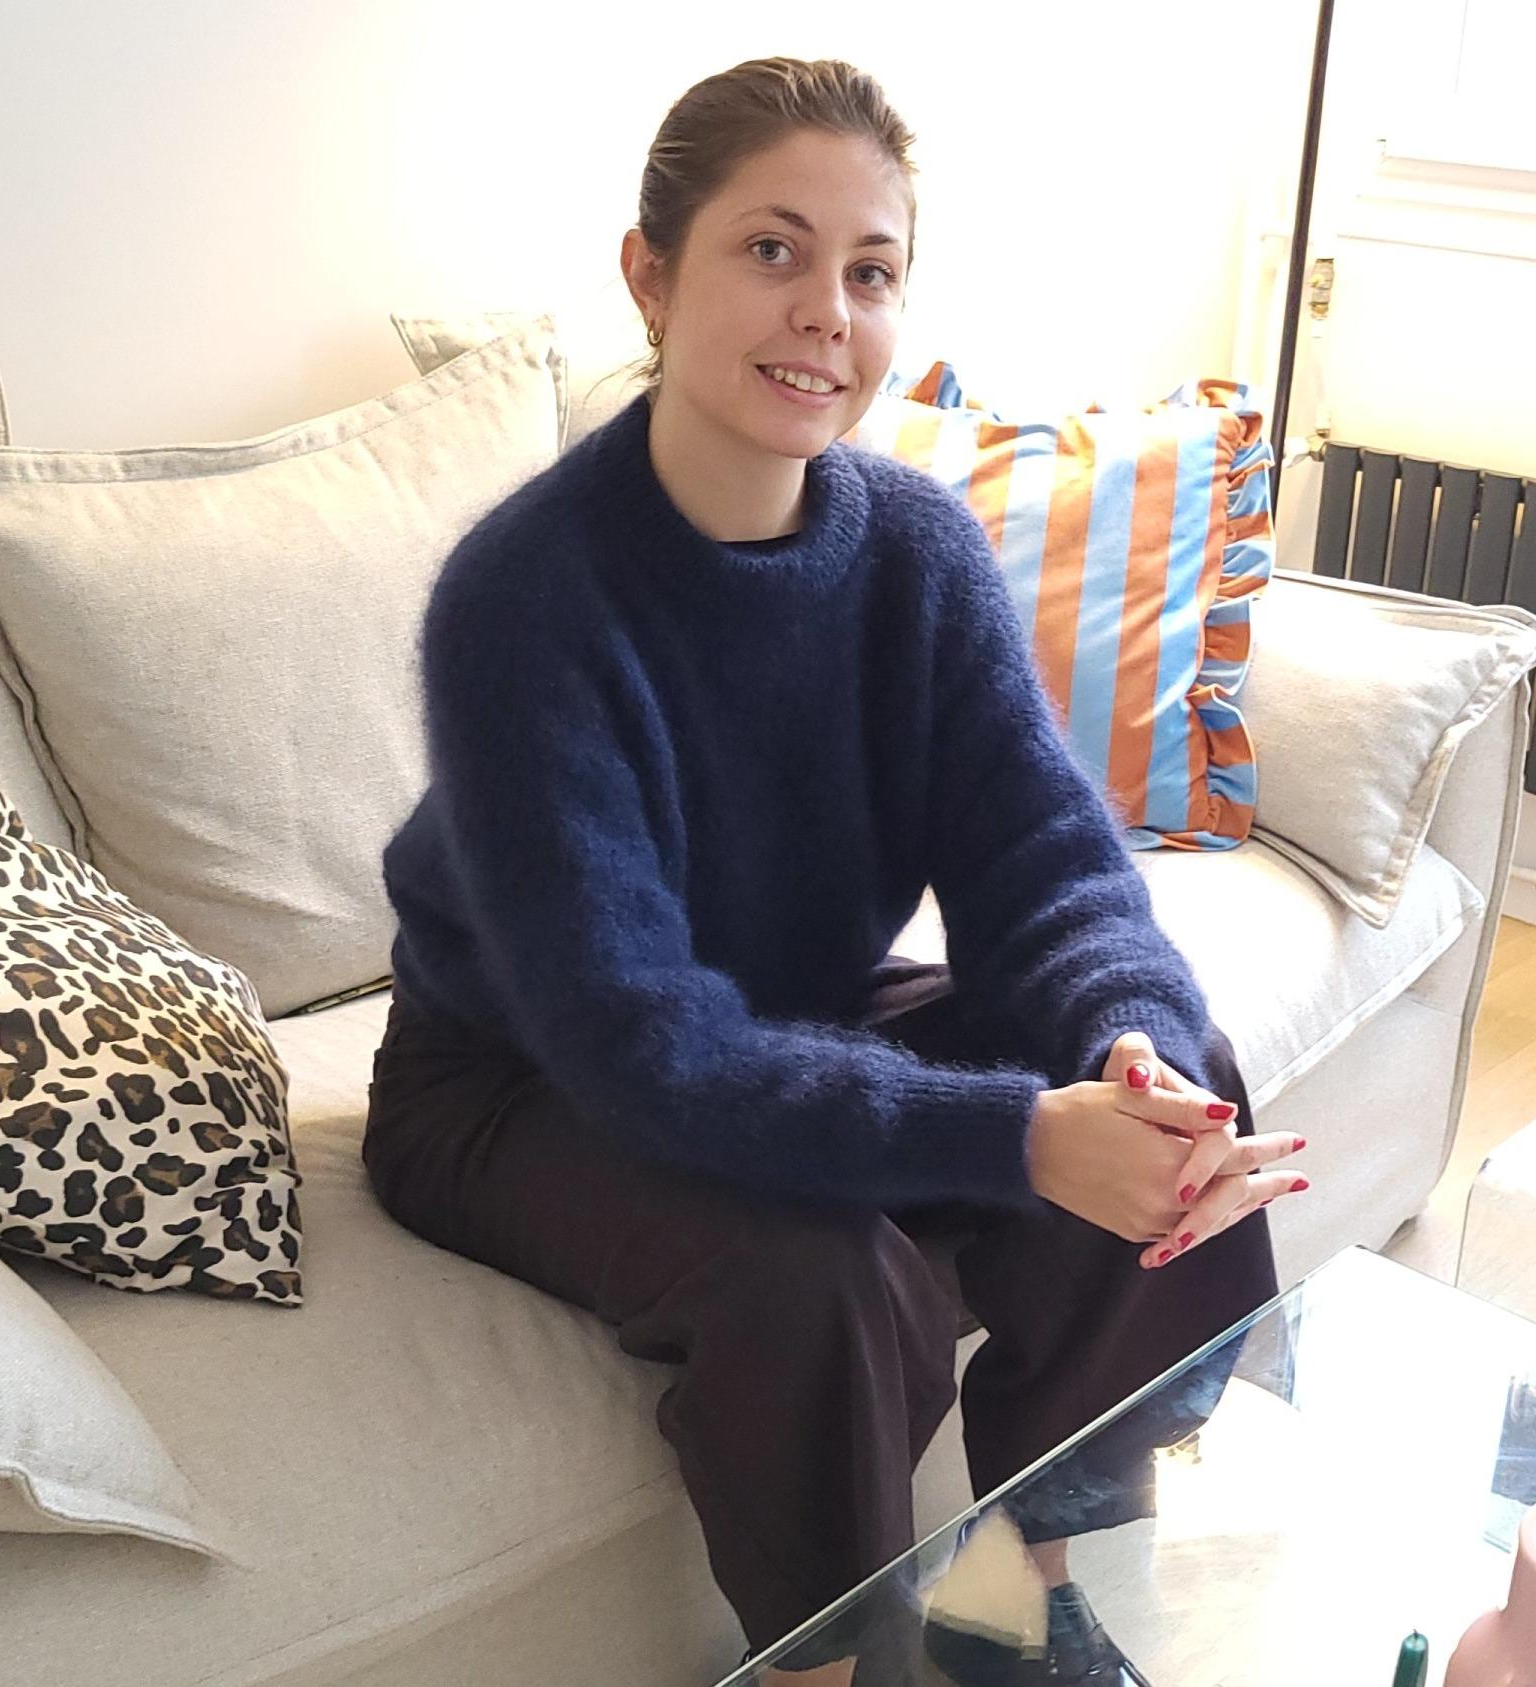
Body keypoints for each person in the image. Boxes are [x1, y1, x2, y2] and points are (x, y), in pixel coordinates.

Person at [363, 55, 1309, 1687]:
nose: (827, 313)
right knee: (817, 1277)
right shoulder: (524, 601)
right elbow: (643, 1045)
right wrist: (1019, 1138)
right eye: (772, 251)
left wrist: (1118, 1047)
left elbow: (1049, 872)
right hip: (517, 1080)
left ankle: (1022, 1600)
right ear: (652, 276)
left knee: (1176, 1084)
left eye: (870, 274)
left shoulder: (916, 550)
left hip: (787, 1014)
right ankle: (822, 1667)